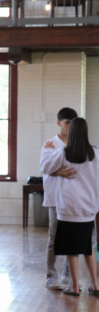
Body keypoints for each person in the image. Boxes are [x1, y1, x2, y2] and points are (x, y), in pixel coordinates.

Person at [41, 117, 99, 296]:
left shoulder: (64, 153)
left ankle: (74, 286)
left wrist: (59, 171)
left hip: (68, 208)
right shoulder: (96, 153)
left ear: (71, 133)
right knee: (87, 244)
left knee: (71, 249)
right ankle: (96, 285)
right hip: (89, 207)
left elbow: (45, 168)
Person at [40, 107, 78, 290]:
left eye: (73, 123)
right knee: (54, 236)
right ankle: (51, 275)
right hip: (56, 197)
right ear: (59, 123)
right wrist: (59, 171)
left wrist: (60, 170)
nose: (70, 127)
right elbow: (45, 168)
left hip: (73, 197)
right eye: (67, 123)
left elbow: (78, 169)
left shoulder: (78, 145)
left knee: (71, 237)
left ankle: (68, 274)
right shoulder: (50, 144)